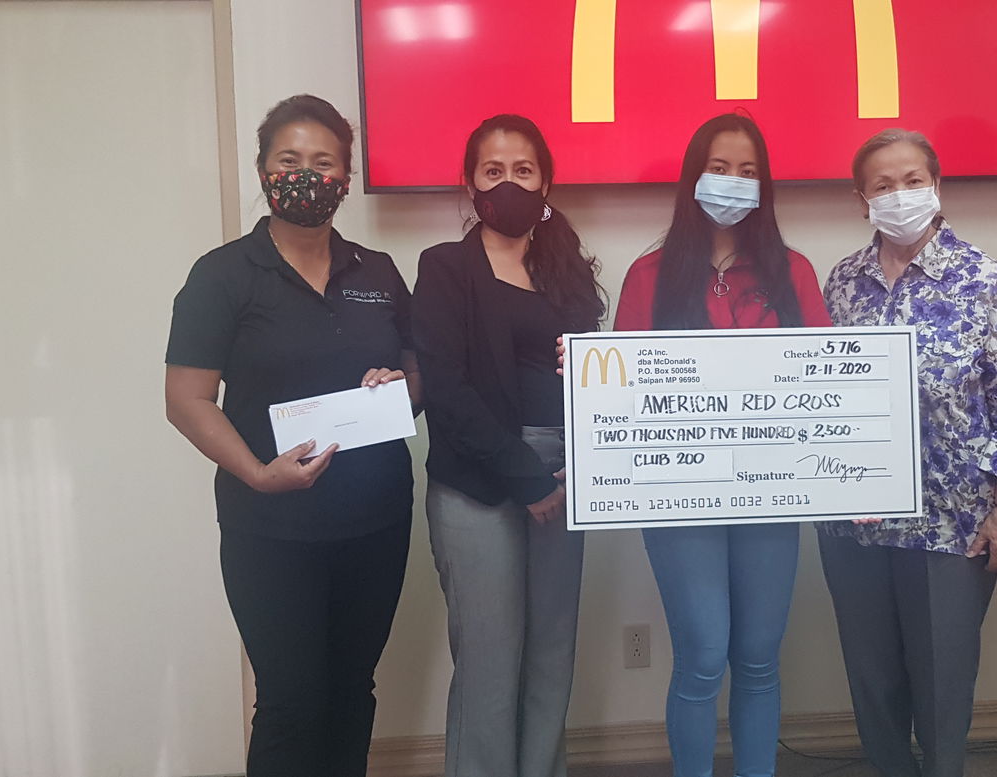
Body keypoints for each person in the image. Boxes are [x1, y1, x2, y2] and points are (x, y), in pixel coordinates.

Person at [163, 94, 419, 777]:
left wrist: (399, 387)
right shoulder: (221, 276)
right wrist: (255, 471)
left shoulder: (379, 271)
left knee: (351, 690)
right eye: (290, 159)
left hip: (376, 520)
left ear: (345, 174)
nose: (307, 174)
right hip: (270, 525)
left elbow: (419, 373)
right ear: (264, 169)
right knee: (291, 702)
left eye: (324, 162)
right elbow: (187, 399)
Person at [817, 129, 997, 777]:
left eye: (913, 180)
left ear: (937, 186)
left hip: (953, 524)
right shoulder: (842, 283)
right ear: (861, 198)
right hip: (854, 522)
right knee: (873, 684)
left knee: (943, 688)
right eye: (884, 184)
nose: (900, 195)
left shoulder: (981, 279)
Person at [613, 113, 832, 777]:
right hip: (681, 500)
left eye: (747, 171)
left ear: (764, 185)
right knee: (704, 654)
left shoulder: (793, 271)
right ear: (693, 179)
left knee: (760, 656)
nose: (733, 182)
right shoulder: (649, 274)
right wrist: (591, 376)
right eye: (719, 168)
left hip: (771, 493)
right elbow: (620, 395)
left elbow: (829, 383)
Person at [413, 114, 606, 777]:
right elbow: (446, 387)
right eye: (493, 171)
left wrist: (581, 362)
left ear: (545, 180)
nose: (509, 183)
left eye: (523, 170)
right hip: (480, 481)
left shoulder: (569, 270)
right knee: (490, 661)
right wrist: (527, 478)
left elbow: (599, 378)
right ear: (470, 182)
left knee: (552, 651)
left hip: (568, 471)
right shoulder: (442, 268)